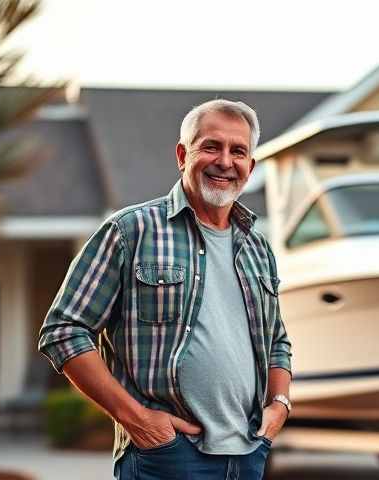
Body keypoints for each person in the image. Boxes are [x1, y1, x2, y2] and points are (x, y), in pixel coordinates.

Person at [38, 99, 292, 480]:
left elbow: (277, 341)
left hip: (248, 456)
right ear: (181, 155)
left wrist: (279, 406)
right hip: (167, 457)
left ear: (250, 167)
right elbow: (64, 330)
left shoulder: (259, 247)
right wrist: (136, 420)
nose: (225, 161)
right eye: (211, 146)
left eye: (238, 151)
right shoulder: (131, 231)